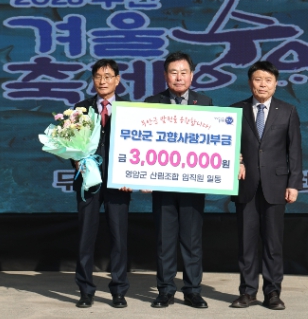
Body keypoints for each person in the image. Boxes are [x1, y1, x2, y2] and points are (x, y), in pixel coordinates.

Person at [229, 60, 302, 310]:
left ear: (276, 84)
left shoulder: (288, 111)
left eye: (268, 80)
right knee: (246, 243)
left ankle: (272, 292)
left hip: (276, 185)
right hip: (245, 184)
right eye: (258, 79)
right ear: (250, 82)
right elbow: (227, 145)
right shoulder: (235, 110)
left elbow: (295, 151)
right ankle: (247, 292)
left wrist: (294, 183)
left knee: (273, 244)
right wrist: (235, 162)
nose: (262, 84)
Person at [144, 51, 213, 309]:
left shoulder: (204, 102)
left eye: (184, 72)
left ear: (192, 76)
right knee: (165, 240)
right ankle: (165, 290)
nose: (179, 77)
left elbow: (215, 141)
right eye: (173, 72)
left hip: (193, 184)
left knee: (192, 241)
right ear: (165, 75)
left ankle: (193, 290)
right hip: (162, 184)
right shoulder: (152, 103)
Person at [72, 59, 132, 309]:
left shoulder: (130, 109)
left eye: (108, 76)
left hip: (119, 183)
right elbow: (71, 143)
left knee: (119, 238)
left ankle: (118, 290)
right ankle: (86, 290)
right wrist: (77, 161)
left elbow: (137, 147)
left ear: (117, 80)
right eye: (98, 76)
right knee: (86, 236)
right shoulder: (81, 108)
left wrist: (131, 175)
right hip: (89, 182)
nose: (102, 81)